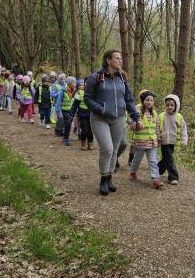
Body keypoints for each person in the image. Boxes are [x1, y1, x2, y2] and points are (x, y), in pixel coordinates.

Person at [84, 49, 140, 196]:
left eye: (121, 58)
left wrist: (135, 116)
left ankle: (109, 178)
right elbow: (87, 97)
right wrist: (99, 109)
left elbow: (129, 99)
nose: (120, 61)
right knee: (107, 149)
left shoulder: (122, 78)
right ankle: (103, 179)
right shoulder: (96, 77)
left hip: (118, 118)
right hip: (100, 118)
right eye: (117, 58)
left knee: (114, 150)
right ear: (108, 60)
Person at [129, 90, 163, 189]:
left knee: (153, 160)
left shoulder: (154, 113)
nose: (149, 102)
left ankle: (155, 179)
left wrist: (158, 138)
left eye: (151, 100)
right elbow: (131, 124)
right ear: (142, 100)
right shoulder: (137, 112)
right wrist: (136, 125)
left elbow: (157, 127)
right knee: (137, 158)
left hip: (152, 141)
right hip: (140, 141)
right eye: (147, 100)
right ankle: (133, 172)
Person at [158, 93, 188, 185]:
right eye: (167, 105)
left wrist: (184, 139)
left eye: (172, 105)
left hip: (174, 141)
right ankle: (173, 177)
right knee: (169, 158)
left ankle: (157, 170)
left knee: (166, 158)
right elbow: (157, 127)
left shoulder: (179, 117)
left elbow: (183, 129)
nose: (169, 107)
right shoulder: (161, 116)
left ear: (176, 106)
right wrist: (157, 138)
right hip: (164, 141)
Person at [70, 78, 94, 150]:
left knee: (90, 130)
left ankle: (90, 143)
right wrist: (71, 114)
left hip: (91, 114)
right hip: (82, 114)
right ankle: (83, 143)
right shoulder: (79, 92)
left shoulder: (93, 92)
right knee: (85, 130)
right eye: (84, 84)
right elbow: (75, 105)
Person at [55, 76, 76, 146]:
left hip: (71, 111)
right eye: (74, 82)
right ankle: (66, 138)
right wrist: (58, 111)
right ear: (69, 83)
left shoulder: (74, 91)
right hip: (64, 110)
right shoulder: (63, 91)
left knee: (68, 124)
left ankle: (64, 134)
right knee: (68, 123)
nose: (75, 84)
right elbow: (59, 101)